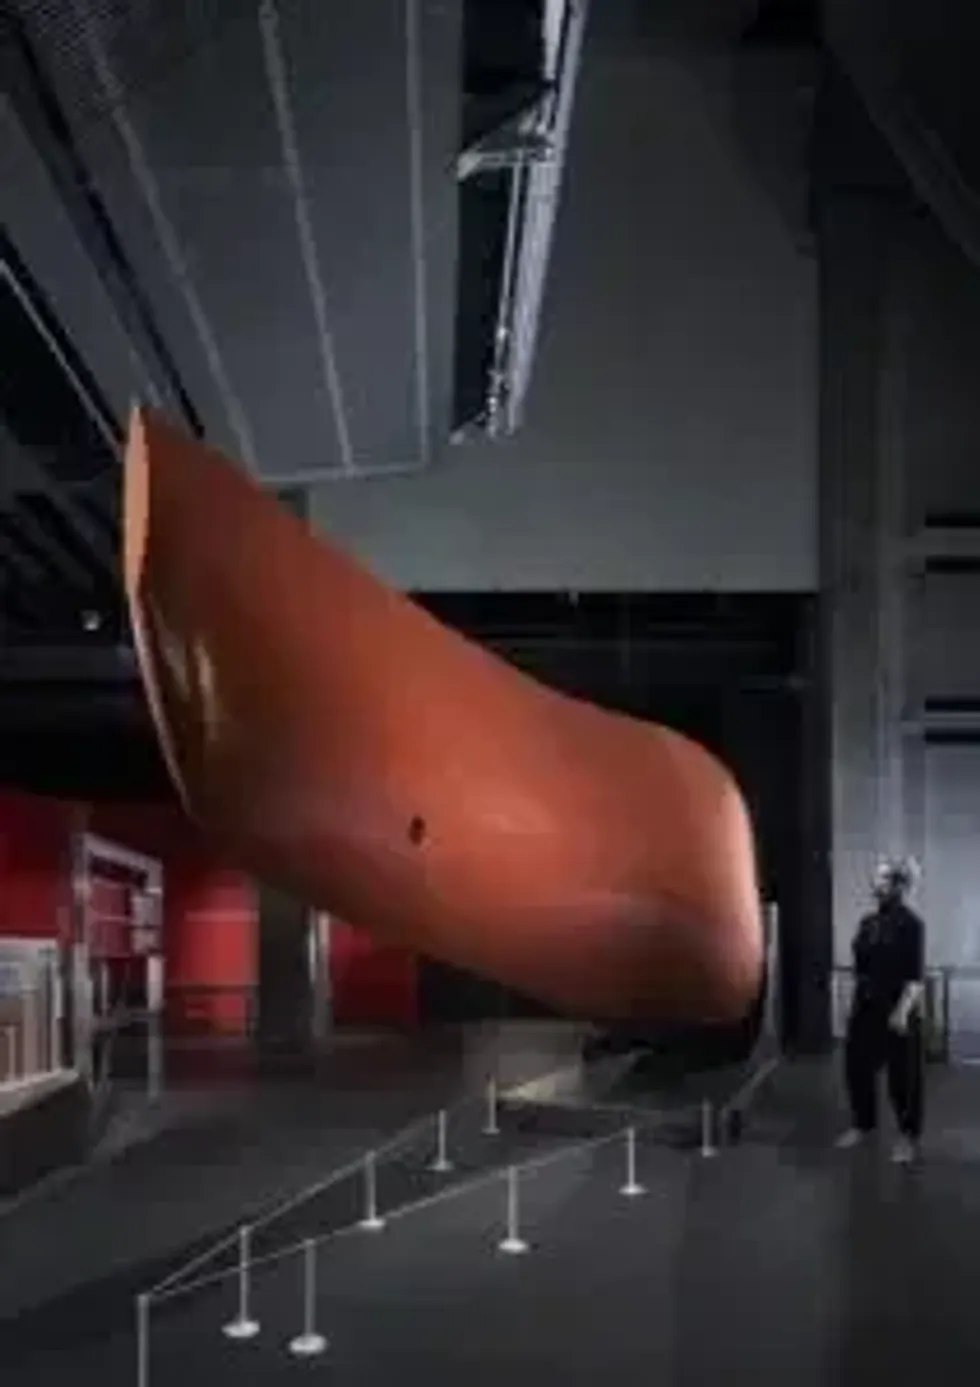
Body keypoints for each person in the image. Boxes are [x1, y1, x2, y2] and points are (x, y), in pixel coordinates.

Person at [837, 859, 926, 1164]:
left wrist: (901, 1012)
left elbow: (915, 977)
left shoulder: (911, 924)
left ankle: (907, 1136)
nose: (874, 881)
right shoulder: (867, 923)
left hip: (897, 1008)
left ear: (897, 885)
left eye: (882, 877)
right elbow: (861, 969)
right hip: (865, 1008)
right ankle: (863, 1124)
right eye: (876, 876)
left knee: (903, 1079)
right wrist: (853, 1005)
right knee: (857, 1069)